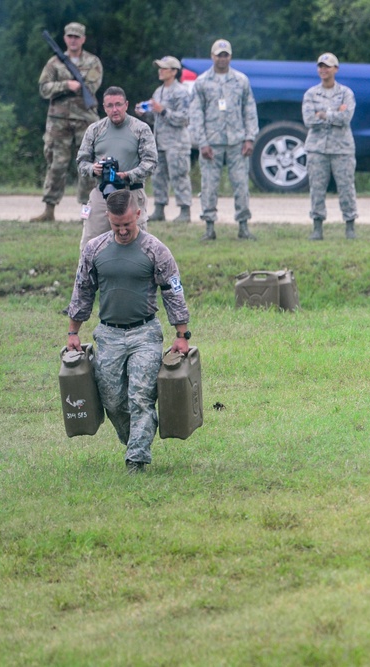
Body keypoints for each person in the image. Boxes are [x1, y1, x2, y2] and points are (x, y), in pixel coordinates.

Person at [66, 190, 191, 473]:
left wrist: (181, 335)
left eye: (127, 225)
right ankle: (135, 438)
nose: (122, 231)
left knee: (141, 396)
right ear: (108, 219)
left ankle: (136, 460)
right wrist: (73, 332)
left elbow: (173, 292)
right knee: (112, 399)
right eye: (115, 225)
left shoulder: (156, 250)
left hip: (145, 333)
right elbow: (82, 290)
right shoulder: (95, 249)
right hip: (108, 334)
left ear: (138, 215)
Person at [32, 22, 103, 222]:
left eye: (77, 36)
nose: (73, 40)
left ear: (83, 39)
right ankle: (49, 210)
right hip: (58, 121)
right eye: (70, 36)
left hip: (85, 120)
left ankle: (86, 213)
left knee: (88, 166)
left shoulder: (93, 62)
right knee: (56, 163)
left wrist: (76, 85)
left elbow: (91, 85)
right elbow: (44, 88)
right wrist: (66, 85)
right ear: (65, 38)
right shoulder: (54, 63)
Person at [189, 38, 260, 241]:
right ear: (212, 57)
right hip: (211, 142)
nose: (222, 58)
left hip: (237, 141)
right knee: (209, 186)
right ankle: (209, 227)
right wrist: (201, 142)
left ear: (230, 56)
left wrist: (249, 138)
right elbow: (196, 114)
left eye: (225, 55)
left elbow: (249, 110)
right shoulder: (202, 82)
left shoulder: (241, 80)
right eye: (218, 55)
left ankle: (243, 226)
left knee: (241, 185)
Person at [76, 86, 157, 251]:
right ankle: (89, 276)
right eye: (110, 106)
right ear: (104, 108)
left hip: (131, 192)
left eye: (118, 104)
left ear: (126, 105)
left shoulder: (140, 129)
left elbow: (151, 162)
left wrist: (127, 175)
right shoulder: (95, 130)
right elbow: (81, 161)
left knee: (137, 246)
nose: (115, 110)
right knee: (91, 244)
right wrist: (94, 169)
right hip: (102, 192)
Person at [302, 52, 358, 240]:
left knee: (346, 187)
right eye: (320, 66)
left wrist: (324, 114)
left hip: (342, 148)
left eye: (327, 66)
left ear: (336, 69)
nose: (323, 70)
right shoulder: (311, 93)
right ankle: (317, 227)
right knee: (317, 188)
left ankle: (350, 226)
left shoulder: (345, 93)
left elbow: (346, 117)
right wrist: (334, 113)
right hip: (317, 148)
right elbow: (309, 120)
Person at [136, 56, 193, 223]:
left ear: (174, 71)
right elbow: (156, 119)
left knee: (179, 176)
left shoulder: (180, 92)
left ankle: (185, 211)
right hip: (159, 141)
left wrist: (163, 110)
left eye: (164, 68)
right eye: (159, 68)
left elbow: (183, 119)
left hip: (177, 143)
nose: (160, 71)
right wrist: (145, 112)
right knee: (158, 176)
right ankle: (159, 209)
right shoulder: (158, 91)